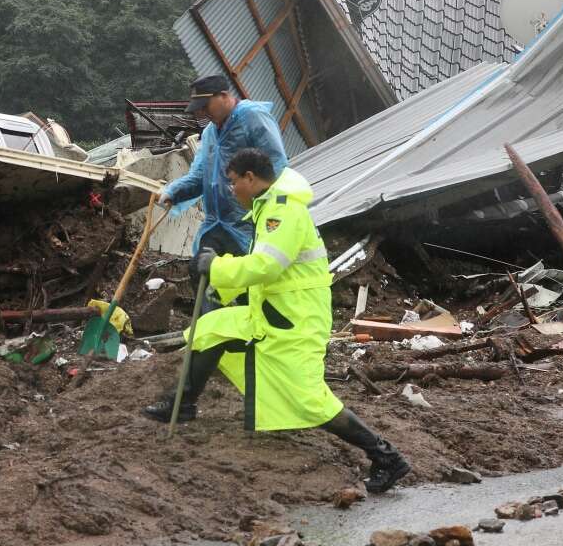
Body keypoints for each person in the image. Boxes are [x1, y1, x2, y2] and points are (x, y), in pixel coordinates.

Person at [142, 148, 410, 494]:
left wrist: (215, 267)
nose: (231, 189)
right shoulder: (267, 207)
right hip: (272, 313)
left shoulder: (282, 213)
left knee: (308, 400)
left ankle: (385, 455)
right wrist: (221, 286)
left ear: (251, 178)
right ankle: (183, 404)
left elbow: (266, 267)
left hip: (294, 320)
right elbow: (264, 269)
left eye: (234, 182)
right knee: (209, 329)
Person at [161, 75, 288, 311]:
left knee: (250, 282)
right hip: (217, 223)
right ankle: (212, 336)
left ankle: (253, 328)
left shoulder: (252, 117)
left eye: (205, 106)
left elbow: (277, 164)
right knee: (200, 271)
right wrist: (173, 192)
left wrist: (263, 204)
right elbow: (200, 176)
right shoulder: (210, 133)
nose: (202, 114)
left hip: (247, 222)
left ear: (224, 96)